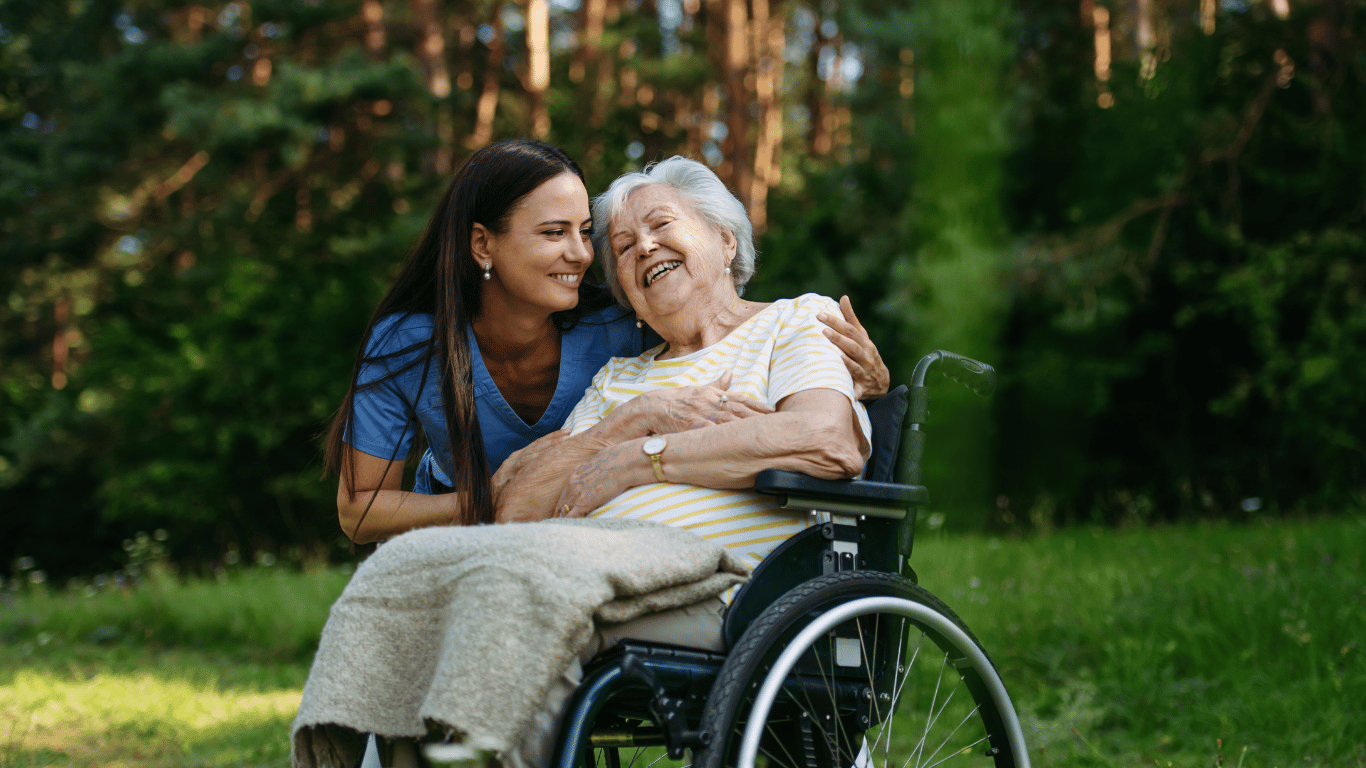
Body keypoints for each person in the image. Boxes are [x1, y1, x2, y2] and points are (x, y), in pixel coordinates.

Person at [479, 156, 876, 768]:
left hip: (730, 599)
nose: (644, 247)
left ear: (724, 241)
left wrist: (644, 458)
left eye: (662, 224)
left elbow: (828, 439)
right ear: (626, 295)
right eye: (623, 246)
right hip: (593, 583)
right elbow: (515, 512)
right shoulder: (620, 381)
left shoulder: (792, 321)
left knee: (519, 618)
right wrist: (625, 424)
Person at [323, 139, 888, 545]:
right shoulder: (412, 345)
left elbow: (712, 312)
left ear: (724, 237)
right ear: (482, 246)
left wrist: (866, 388)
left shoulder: (618, 327)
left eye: (585, 234)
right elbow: (363, 511)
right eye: (554, 233)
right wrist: (626, 429)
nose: (584, 255)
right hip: (486, 535)